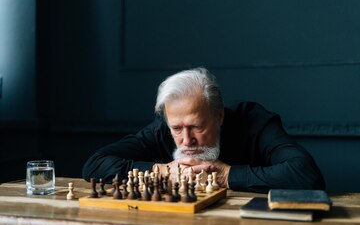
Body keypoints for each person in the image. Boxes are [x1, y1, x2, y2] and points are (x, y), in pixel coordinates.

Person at [82, 67, 325, 193]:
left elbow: (306, 175)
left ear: (219, 115)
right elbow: (95, 164)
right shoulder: (163, 128)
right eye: (177, 128)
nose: (186, 140)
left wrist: (226, 175)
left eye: (196, 126)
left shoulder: (254, 121)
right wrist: (162, 171)